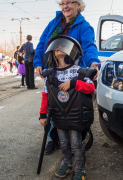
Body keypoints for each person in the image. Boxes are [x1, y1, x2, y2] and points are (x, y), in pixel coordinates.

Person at [34, 0, 100, 154]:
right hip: (54, 70)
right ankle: (54, 139)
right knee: (53, 106)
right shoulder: (55, 22)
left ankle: (76, 139)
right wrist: (38, 61)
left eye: (69, 2)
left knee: (72, 109)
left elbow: (89, 46)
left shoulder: (84, 26)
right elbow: (42, 42)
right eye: (62, 3)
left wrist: (92, 62)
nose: (65, 6)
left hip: (73, 72)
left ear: (79, 5)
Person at [39, 36, 95, 180]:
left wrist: (74, 84)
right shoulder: (50, 74)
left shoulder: (78, 71)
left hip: (75, 115)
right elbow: (45, 94)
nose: (59, 48)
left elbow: (90, 88)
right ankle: (66, 163)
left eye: (63, 46)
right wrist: (42, 114)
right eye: (56, 47)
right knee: (63, 142)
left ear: (70, 51)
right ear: (52, 52)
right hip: (58, 115)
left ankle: (80, 169)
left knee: (76, 143)